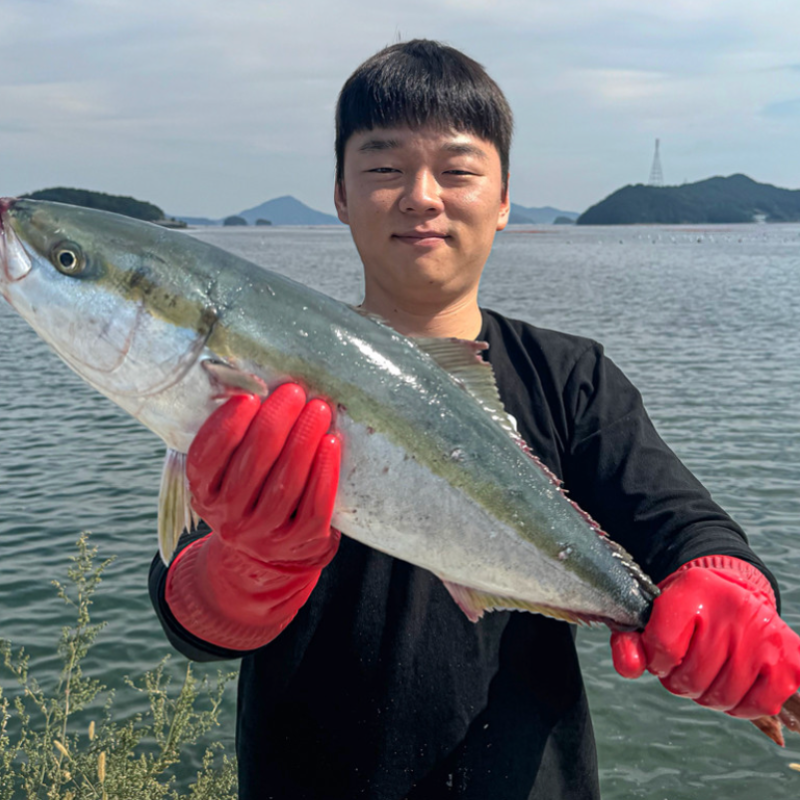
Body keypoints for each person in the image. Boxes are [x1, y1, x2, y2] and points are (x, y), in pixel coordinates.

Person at [149, 39, 800, 799]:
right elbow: (189, 618)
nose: (421, 196)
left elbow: (681, 523)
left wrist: (728, 591)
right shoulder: (267, 373)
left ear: (502, 199)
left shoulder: (569, 378)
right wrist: (244, 571)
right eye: (385, 168)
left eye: (456, 171)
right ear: (339, 194)